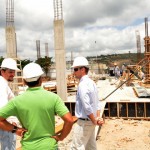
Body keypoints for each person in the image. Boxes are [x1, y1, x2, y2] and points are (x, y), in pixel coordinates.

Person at [0, 62, 74, 150]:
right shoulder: (53, 98)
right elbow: (69, 120)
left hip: (28, 147)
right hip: (49, 146)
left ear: (24, 81)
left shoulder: (17, 101)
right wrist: (61, 137)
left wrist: (16, 130)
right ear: (41, 79)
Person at [70, 56, 104, 150]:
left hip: (84, 122)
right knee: (90, 147)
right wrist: (97, 118)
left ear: (83, 69)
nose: (74, 72)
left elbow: (86, 105)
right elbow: (97, 103)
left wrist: (94, 120)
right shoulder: (91, 82)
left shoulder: (82, 84)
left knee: (76, 147)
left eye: (76, 69)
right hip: (91, 120)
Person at [0, 58, 20, 150]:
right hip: (5, 125)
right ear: (2, 71)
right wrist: (13, 128)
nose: (13, 74)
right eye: (10, 72)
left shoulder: (4, 83)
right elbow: (3, 111)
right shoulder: (2, 85)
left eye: (14, 71)